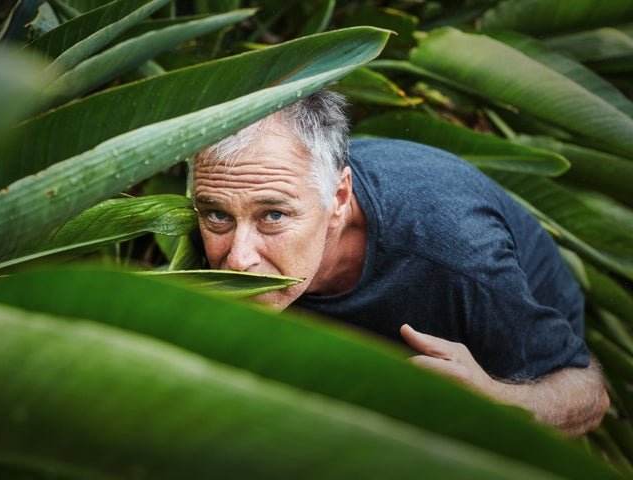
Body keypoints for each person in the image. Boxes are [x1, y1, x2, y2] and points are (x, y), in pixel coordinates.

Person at [190, 89, 609, 435]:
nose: (239, 259)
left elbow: (587, 393)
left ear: (337, 199)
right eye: (217, 215)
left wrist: (497, 402)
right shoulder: (232, 200)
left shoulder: (458, 255)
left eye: (274, 216)